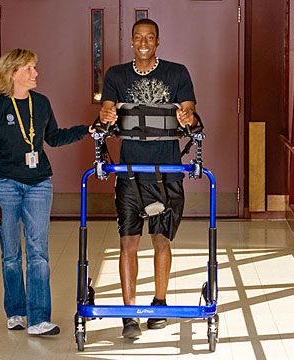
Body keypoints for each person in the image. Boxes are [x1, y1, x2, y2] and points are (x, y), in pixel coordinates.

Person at [0, 48, 92, 336]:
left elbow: (53, 137)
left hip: (39, 184)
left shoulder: (41, 104)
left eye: (34, 68)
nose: (35, 73)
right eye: (29, 68)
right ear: (13, 73)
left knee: (38, 252)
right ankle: (16, 311)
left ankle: (39, 319)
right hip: (5, 185)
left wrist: (87, 129)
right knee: (10, 255)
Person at [99, 18, 197, 338]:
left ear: (158, 41)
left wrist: (187, 115)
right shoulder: (116, 75)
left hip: (166, 171)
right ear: (131, 41)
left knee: (161, 240)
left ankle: (159, 304)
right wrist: (107, 115)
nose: (143, 42)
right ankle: (130, 315)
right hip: (130, 172)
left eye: (149, 37)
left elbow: (189, 110)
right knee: (128, 242)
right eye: (138, 37)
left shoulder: (177, 72)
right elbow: (107, 110)